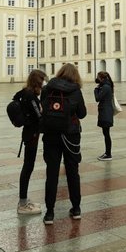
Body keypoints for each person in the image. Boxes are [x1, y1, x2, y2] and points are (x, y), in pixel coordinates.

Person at [40, 63, 87, 224]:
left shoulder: (48, 88)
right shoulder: (75, 90)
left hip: (51, 135)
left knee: (51, 174)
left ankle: (50, 213)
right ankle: (76, 209)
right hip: (71, 136)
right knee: (73, 172)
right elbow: (83, 113)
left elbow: (43, 109)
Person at [13, 69, 47, 215]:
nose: (44, 83)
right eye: (42, 81)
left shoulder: (25, 93)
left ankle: (24, 199)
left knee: (28, 166)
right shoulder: (30, 95)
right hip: (31, 134)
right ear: (37, 81)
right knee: (28, 167)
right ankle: (22, 203)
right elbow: (39, 115)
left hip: (31, 133)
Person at [94, 71, 115, 161]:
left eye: (98, 77)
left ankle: (108, 154)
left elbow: (97, 98)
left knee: (106, 134)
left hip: (106, 113)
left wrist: (96, 90)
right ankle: (107, 153)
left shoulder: (106, 87)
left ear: (101, 78)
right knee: (106, 133)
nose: (97, 79)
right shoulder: (106, 86)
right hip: (105, 112)